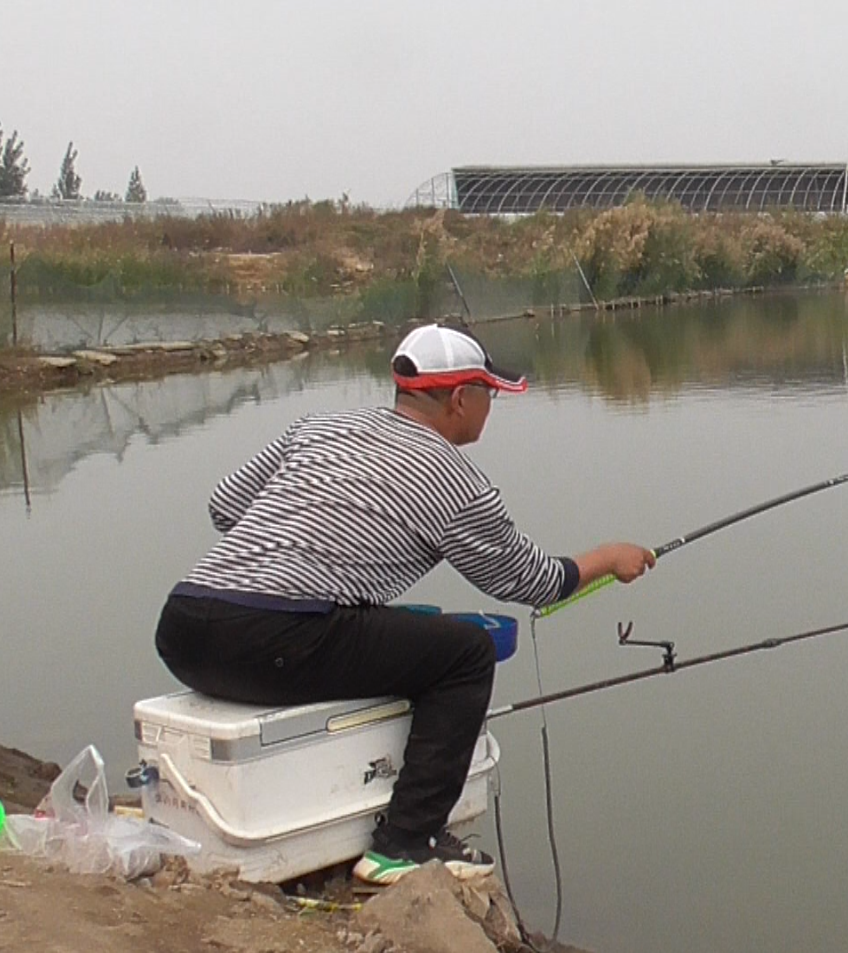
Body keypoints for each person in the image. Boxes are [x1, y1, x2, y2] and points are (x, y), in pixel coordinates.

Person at [153, 324, 656, 885]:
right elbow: (532, 581)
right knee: (466, 653)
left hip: (183, 629)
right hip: (272, 640)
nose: (491, 408)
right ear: (462, 399)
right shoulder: (455, 481)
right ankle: (405, 842)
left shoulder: (319, 428)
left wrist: (313, 549)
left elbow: (225, 507)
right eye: (489, 395)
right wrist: (610, 558)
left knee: (409, 630)